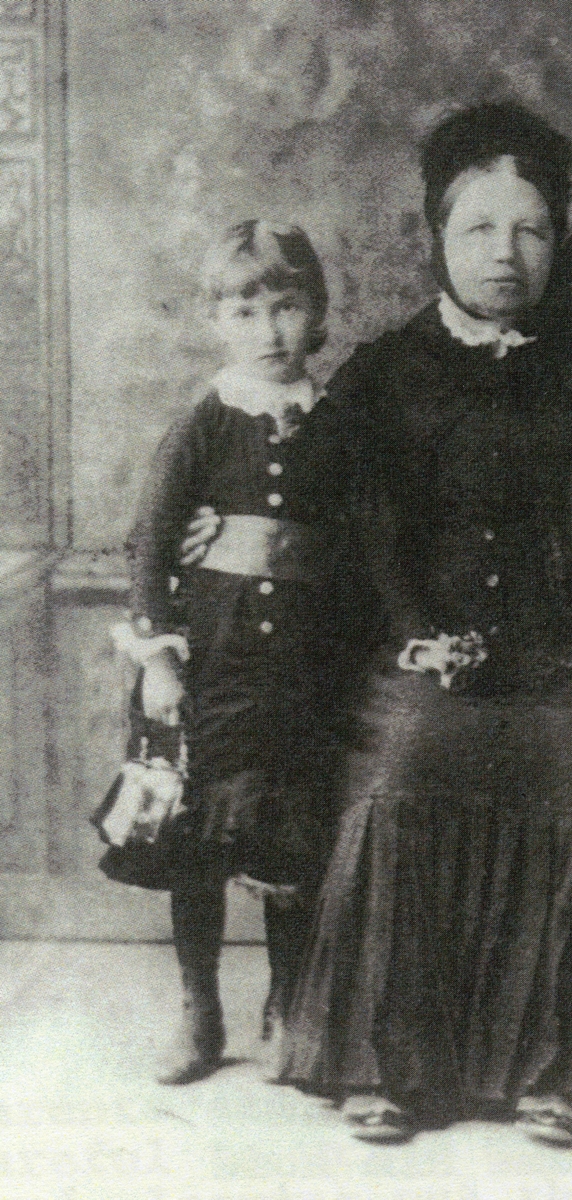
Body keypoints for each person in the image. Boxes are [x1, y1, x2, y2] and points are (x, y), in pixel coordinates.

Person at [266, 101, 572, 1146]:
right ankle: (390, 1064)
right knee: (413, 754)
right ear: (438, 237)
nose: (505, 254)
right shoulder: (379, 379)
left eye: (529, 230)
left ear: (559, 241)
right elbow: (312, 526)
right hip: (423, 662)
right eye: (479, 228)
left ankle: (569, 1074)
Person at [113, 220, 359, 1085]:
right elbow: (150, 542)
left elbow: (368, 541)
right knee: (198, 844)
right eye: (245, 310)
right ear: (219, 320)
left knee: (290, 840)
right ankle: (200, 1008)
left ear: (317, 313)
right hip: (211, 662)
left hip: (301, 671)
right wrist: (159, 661)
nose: (268, 331)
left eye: (287, 308)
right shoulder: (206, 422)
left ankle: (287, 1001)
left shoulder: (336, 427)